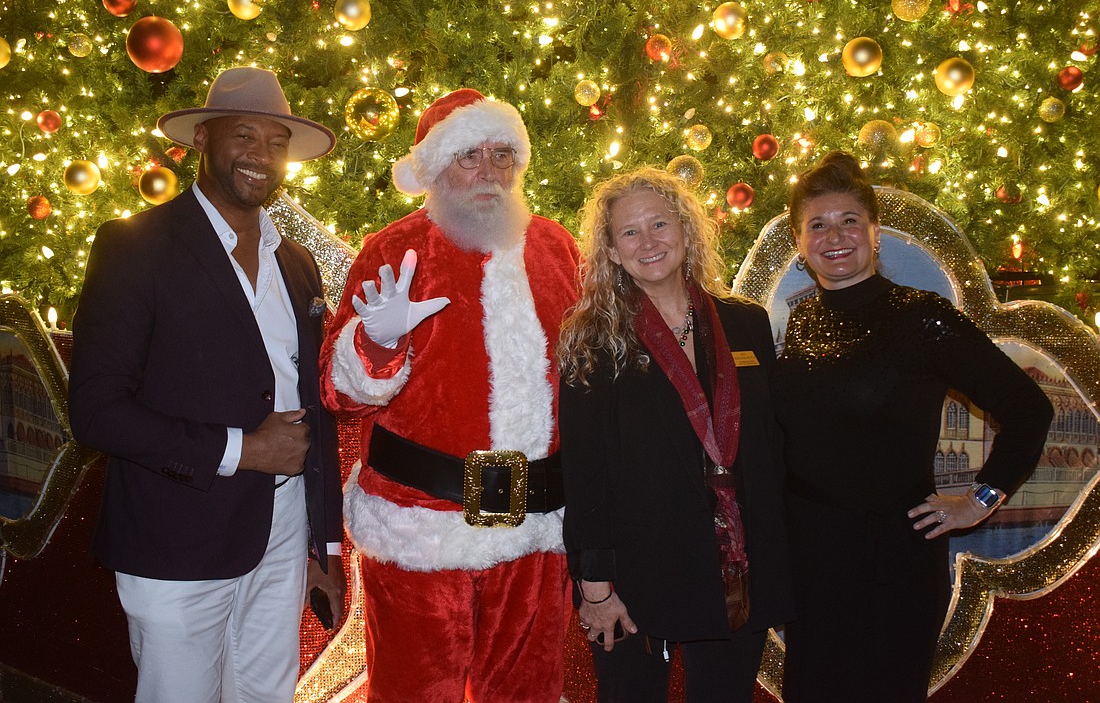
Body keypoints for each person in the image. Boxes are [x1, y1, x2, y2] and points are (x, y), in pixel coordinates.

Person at [68, 67, 346, 703]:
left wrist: (323, 544)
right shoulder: (136, 246)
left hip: (283, 531)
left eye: (276, 142)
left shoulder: (296, 262)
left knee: (266, 695)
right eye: (243, 135)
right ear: (202, 138)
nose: (260, 154)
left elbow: (315, 406)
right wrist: (243, 449)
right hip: (176, 536)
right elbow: (97, 410)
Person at [319, 88, 581, 702]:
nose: (489, 170)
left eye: (501, 154)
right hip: (422, 531)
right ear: (435, 168)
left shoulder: (557, 247)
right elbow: (336, 394)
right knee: (414, 691)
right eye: (469, 155)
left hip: (538, 534)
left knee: (529, 693)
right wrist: (377, 344)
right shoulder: (393, 250)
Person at [773, 151, 1054, 702]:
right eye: (818, 225)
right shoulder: (802, 320)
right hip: (811, 559)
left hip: (891, 561)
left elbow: (1029, 408)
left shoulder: (922, 316)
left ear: (875, 233)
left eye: (850, 220)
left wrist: (979, 500)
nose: (835, 236)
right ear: (800, 244)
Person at [557, 166, 794, 703]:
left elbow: (773, 447)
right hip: (638, 577)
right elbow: (585, 473)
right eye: (630, 231)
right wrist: (595, 587)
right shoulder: (593, 339)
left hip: (738, 569)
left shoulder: (746, 323)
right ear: (611, 251)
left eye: (660, 224)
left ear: (686, 230)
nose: (649, 242)